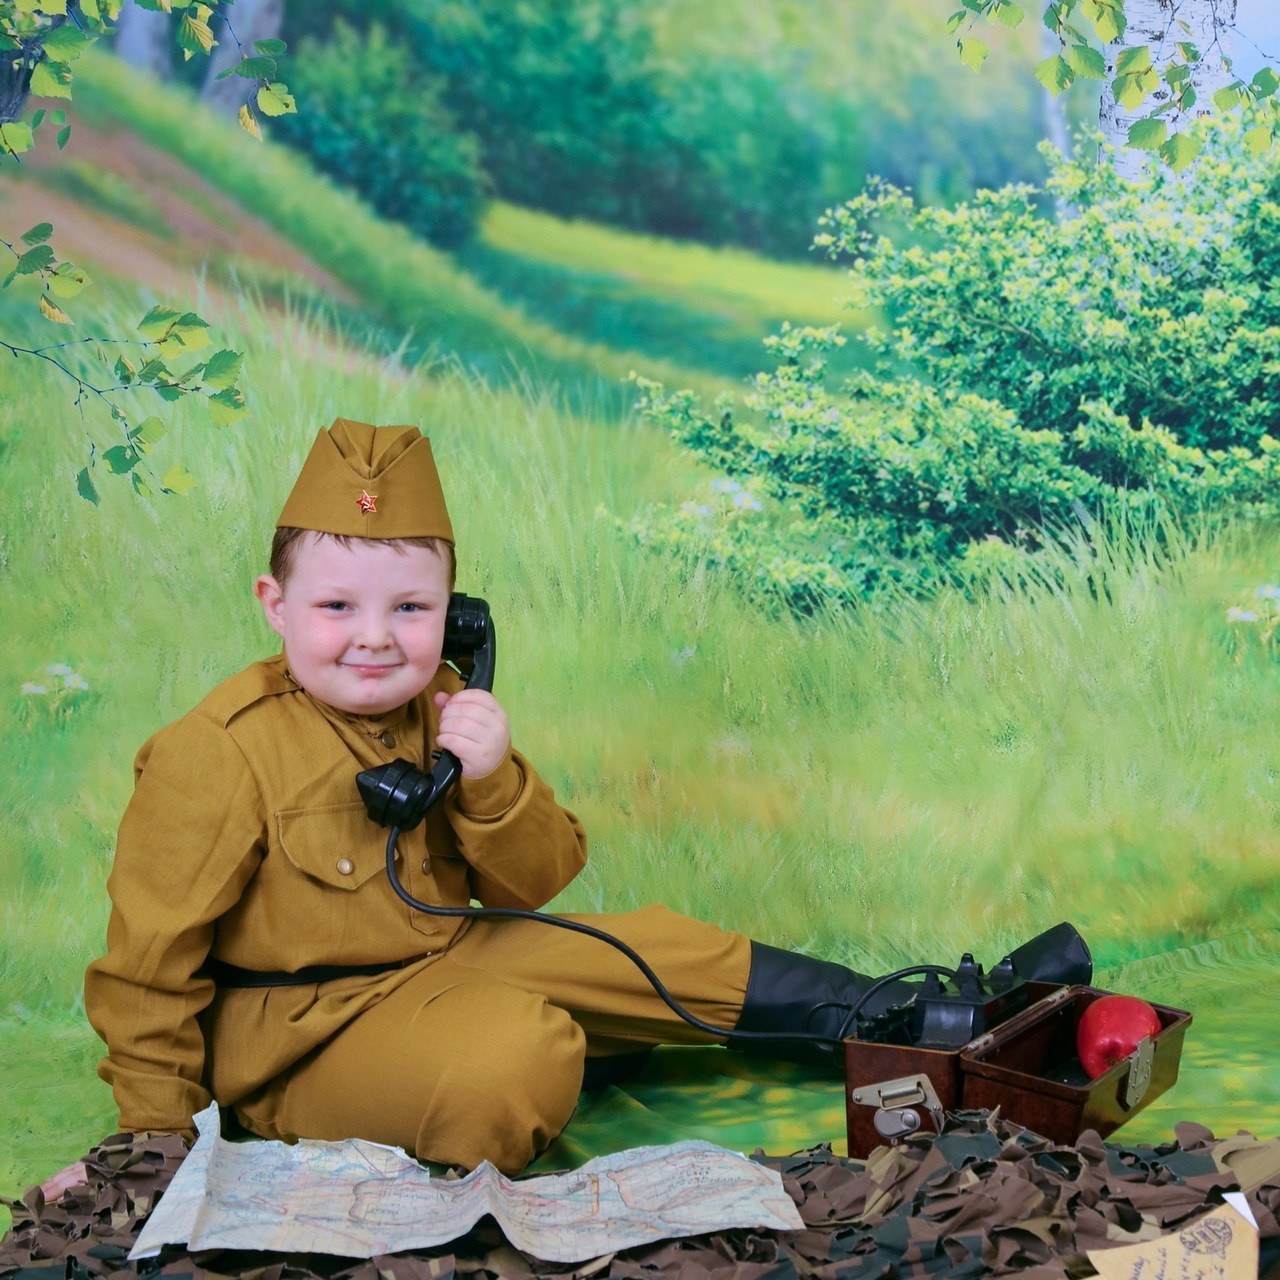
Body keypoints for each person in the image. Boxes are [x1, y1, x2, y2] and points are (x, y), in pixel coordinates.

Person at [84, 417, 1090, 1175]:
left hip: (443, 955)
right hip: (300, 1036)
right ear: (276, 605)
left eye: (411, 607)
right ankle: (511, 1055)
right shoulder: (214, 752)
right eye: (336, 605)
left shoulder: (443, 705)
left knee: (659, 944)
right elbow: (145, 974)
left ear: (453, 610)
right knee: (515, 1057)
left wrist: (487, 779)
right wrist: (152, 1143)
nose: (375, 637)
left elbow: (534, 883)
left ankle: (903, 1019)